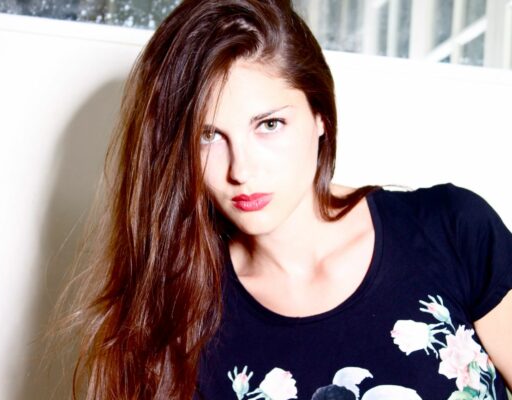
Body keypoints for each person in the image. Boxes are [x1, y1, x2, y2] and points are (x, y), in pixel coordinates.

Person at [55, 1, 512, 399]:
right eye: (208, 136)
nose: (242, 170)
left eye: (269, 125)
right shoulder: (177, 323)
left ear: (320, 116)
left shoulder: (452, 231)